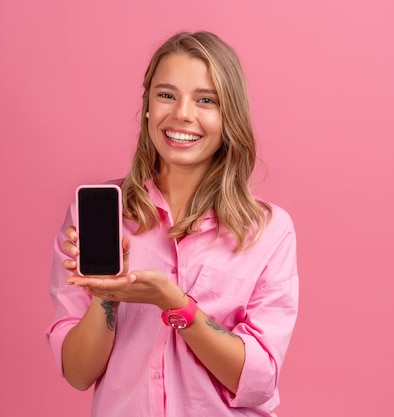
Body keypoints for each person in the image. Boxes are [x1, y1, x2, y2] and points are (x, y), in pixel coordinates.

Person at [46, 31, 299, 417]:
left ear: (228, 115)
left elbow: (259, 379)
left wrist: (174, 304)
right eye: (166, 95)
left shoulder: (267, 231)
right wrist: (106, 295)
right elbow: (80, 374)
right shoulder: (99, 216)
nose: (182, 113)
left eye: (205, 100)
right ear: (147, 104)